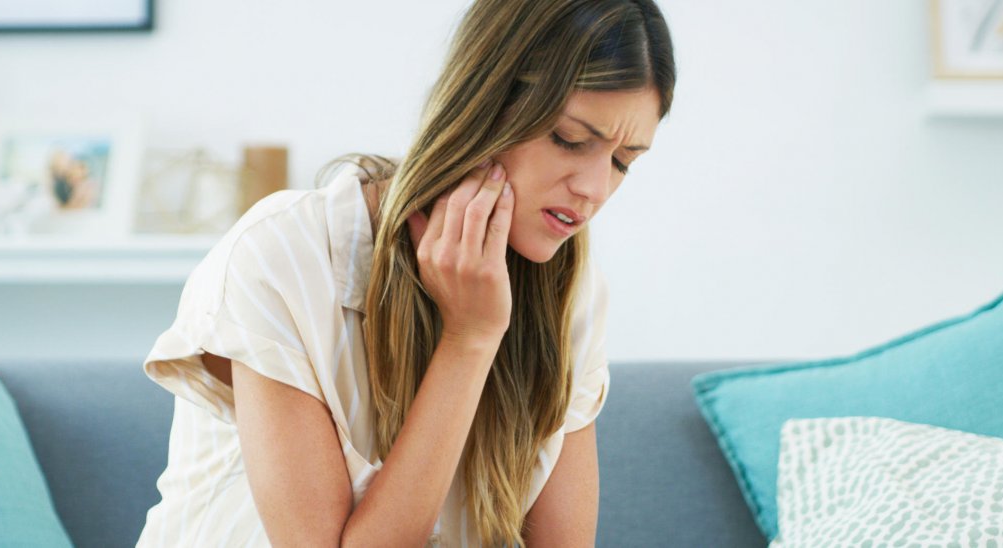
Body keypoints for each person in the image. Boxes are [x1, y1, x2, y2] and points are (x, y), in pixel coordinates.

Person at [137, 0, 676, 545]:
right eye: (569, 140)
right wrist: (470, 339)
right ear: (485, 107)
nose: (595, 188)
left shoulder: (571, 289)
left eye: (622, 161)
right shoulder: (284, 256)